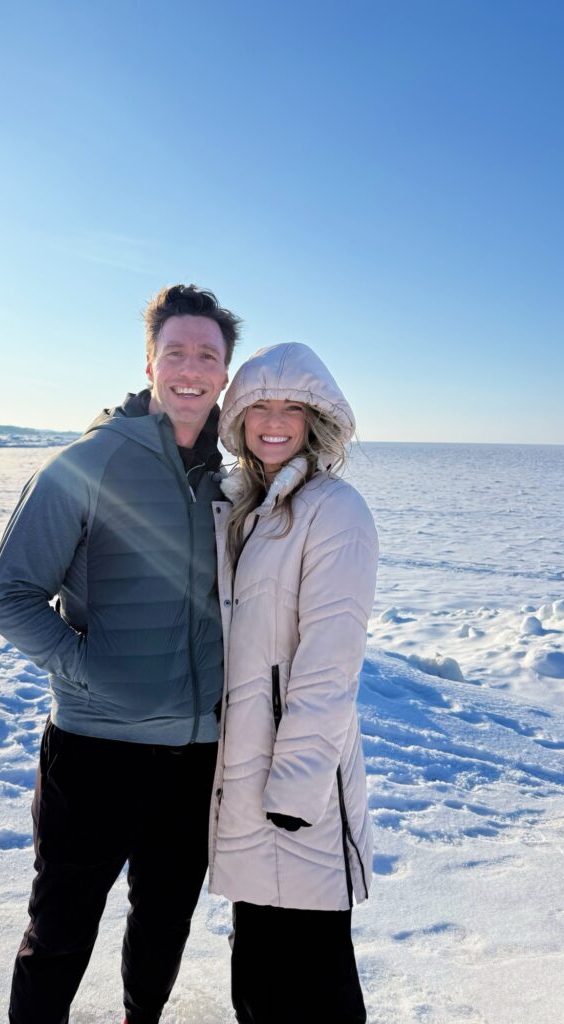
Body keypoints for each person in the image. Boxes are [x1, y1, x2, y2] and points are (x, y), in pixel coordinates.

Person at [0, 284, 241, 1024]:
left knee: (165, 919)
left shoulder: (228, 481)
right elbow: (9, 597)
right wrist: (89, 673)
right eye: (176, 352)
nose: (191, 369)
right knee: (61, 930)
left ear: (225, 373)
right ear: (149, 362)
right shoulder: (85, 464)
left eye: (208, 356)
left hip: (197, 755)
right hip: (95, 752)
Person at [208, 342, 378, 1024]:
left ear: (316, 420)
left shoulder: (335, 510)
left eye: (292, 407)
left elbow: (330, 662)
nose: (274, 421)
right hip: (245, 774)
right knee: (257, 971)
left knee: (314, 979)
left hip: (296, 785)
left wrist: (297, 788)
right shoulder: (244, 508)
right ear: (240, 419)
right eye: (260, 406)